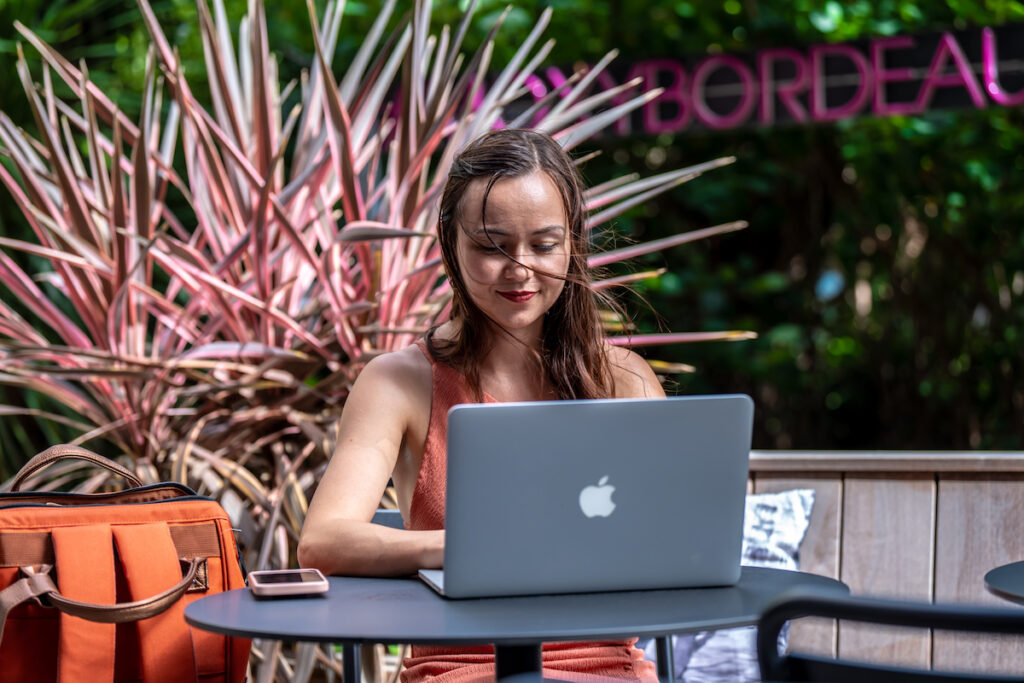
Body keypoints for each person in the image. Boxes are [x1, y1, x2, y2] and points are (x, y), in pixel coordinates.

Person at [298, 128, 664, 682]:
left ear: (572, 244)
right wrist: (473, 549)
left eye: (544, 244)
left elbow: (674, 536)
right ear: (452, 244)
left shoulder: (622, 378)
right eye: (492, 246)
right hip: (460, 670)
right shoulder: (399, 382)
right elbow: (324, 541)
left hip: (607, 670)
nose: (520, 269)